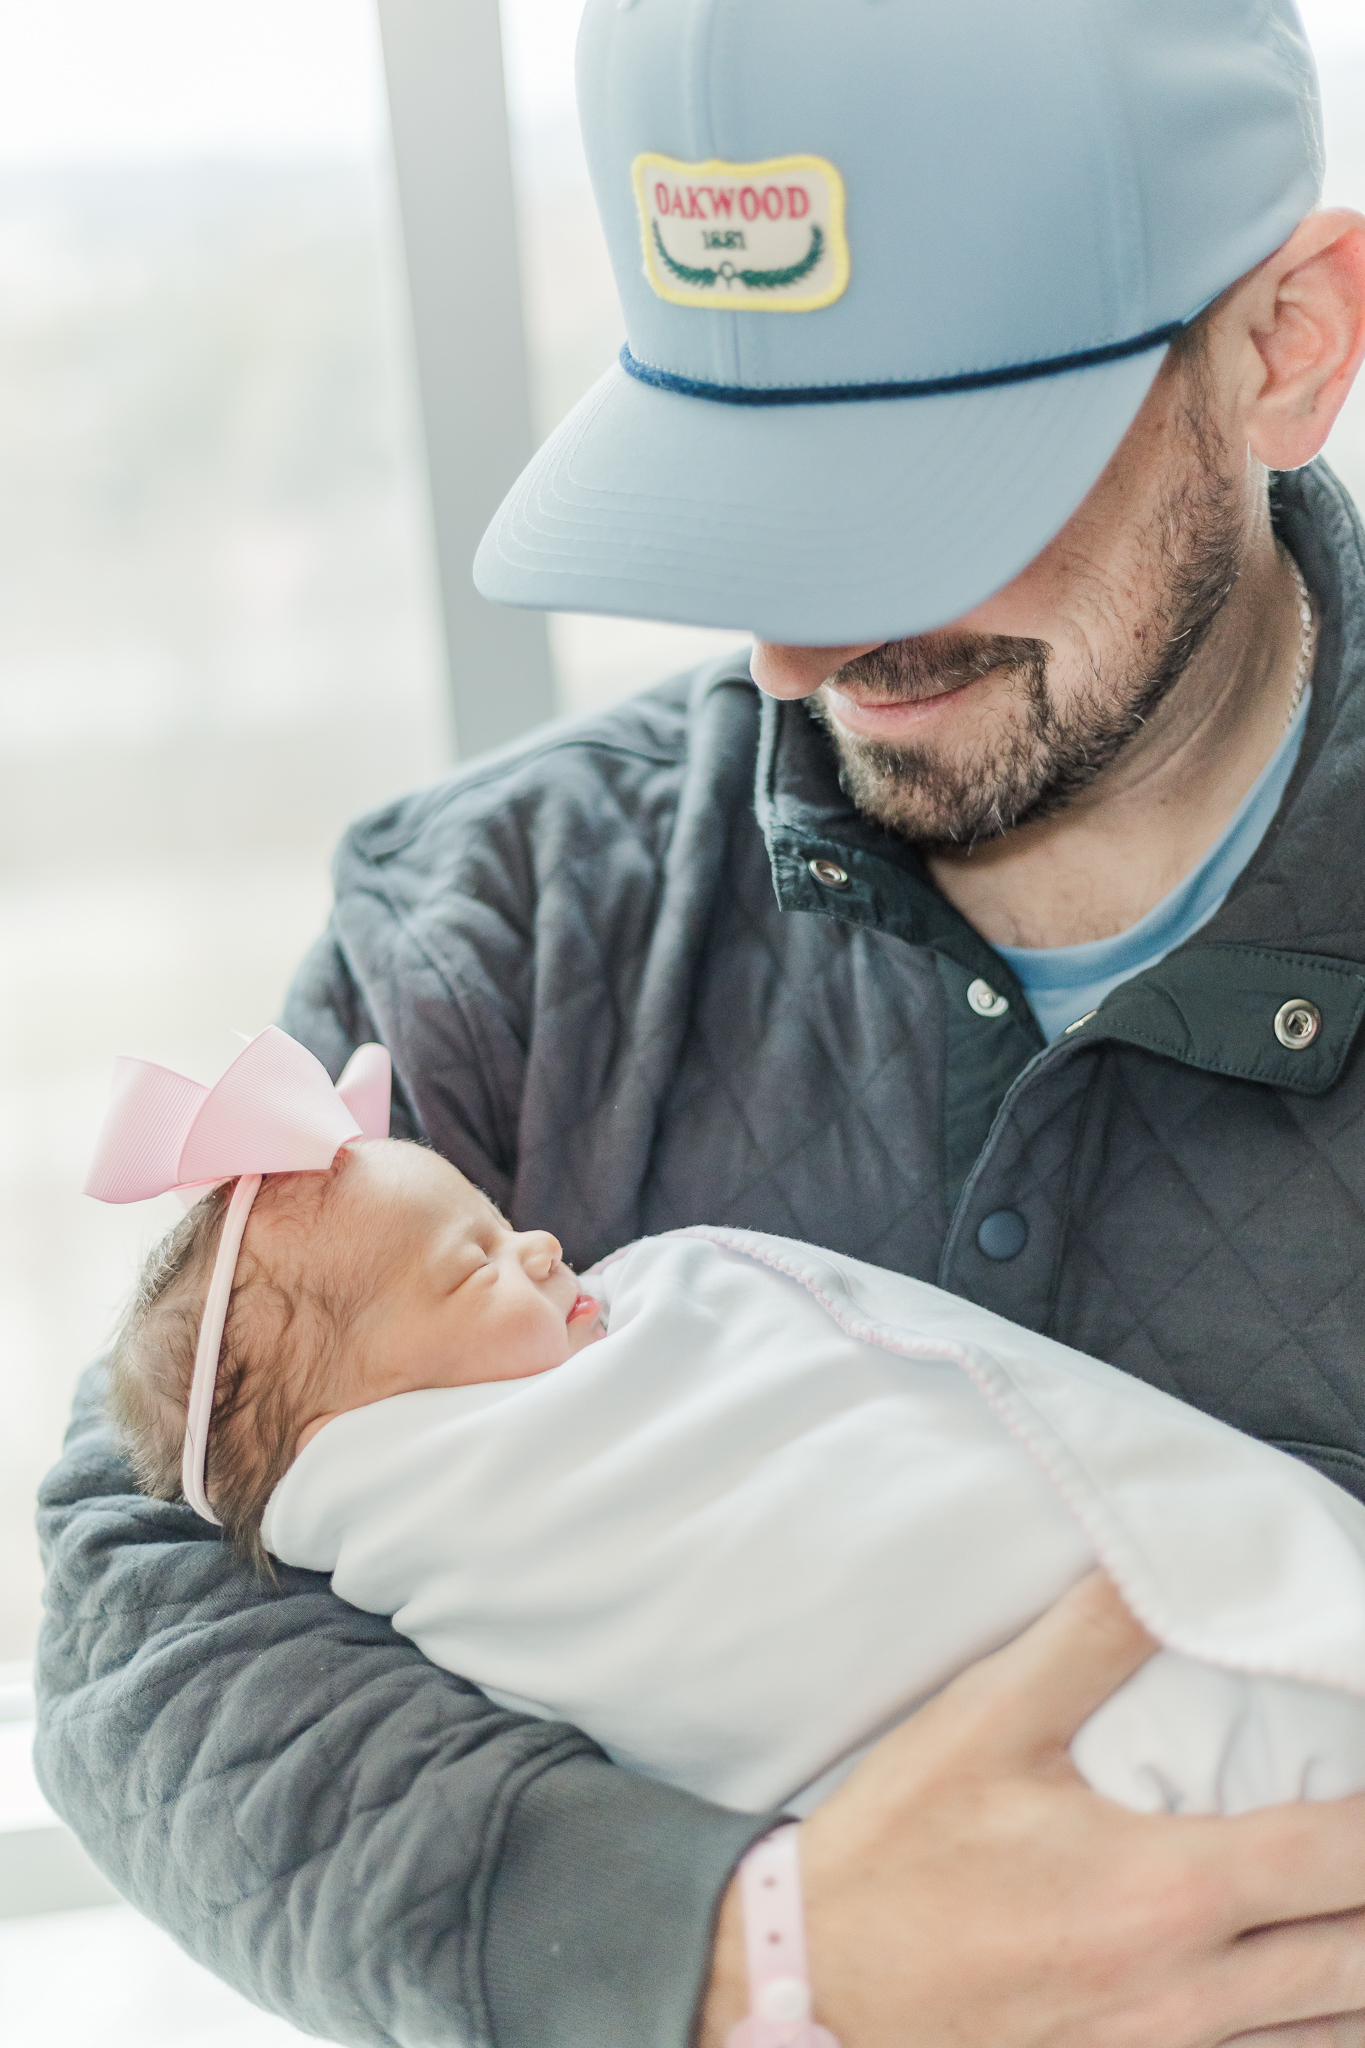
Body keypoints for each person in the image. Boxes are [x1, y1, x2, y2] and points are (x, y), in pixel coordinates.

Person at [34, 0, 1365, 2043]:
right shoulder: (502, 922)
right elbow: (139, 1617)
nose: (795, 645)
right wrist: (747, 1947)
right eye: (743, 497)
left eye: (925, 483)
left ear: (1281, 342)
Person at [89, 1030, 1365, 1831]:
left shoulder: (652, 1339)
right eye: (474, 1269)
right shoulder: (457, 1520)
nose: (540, 1244)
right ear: (371, 1431)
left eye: (502, 1220)